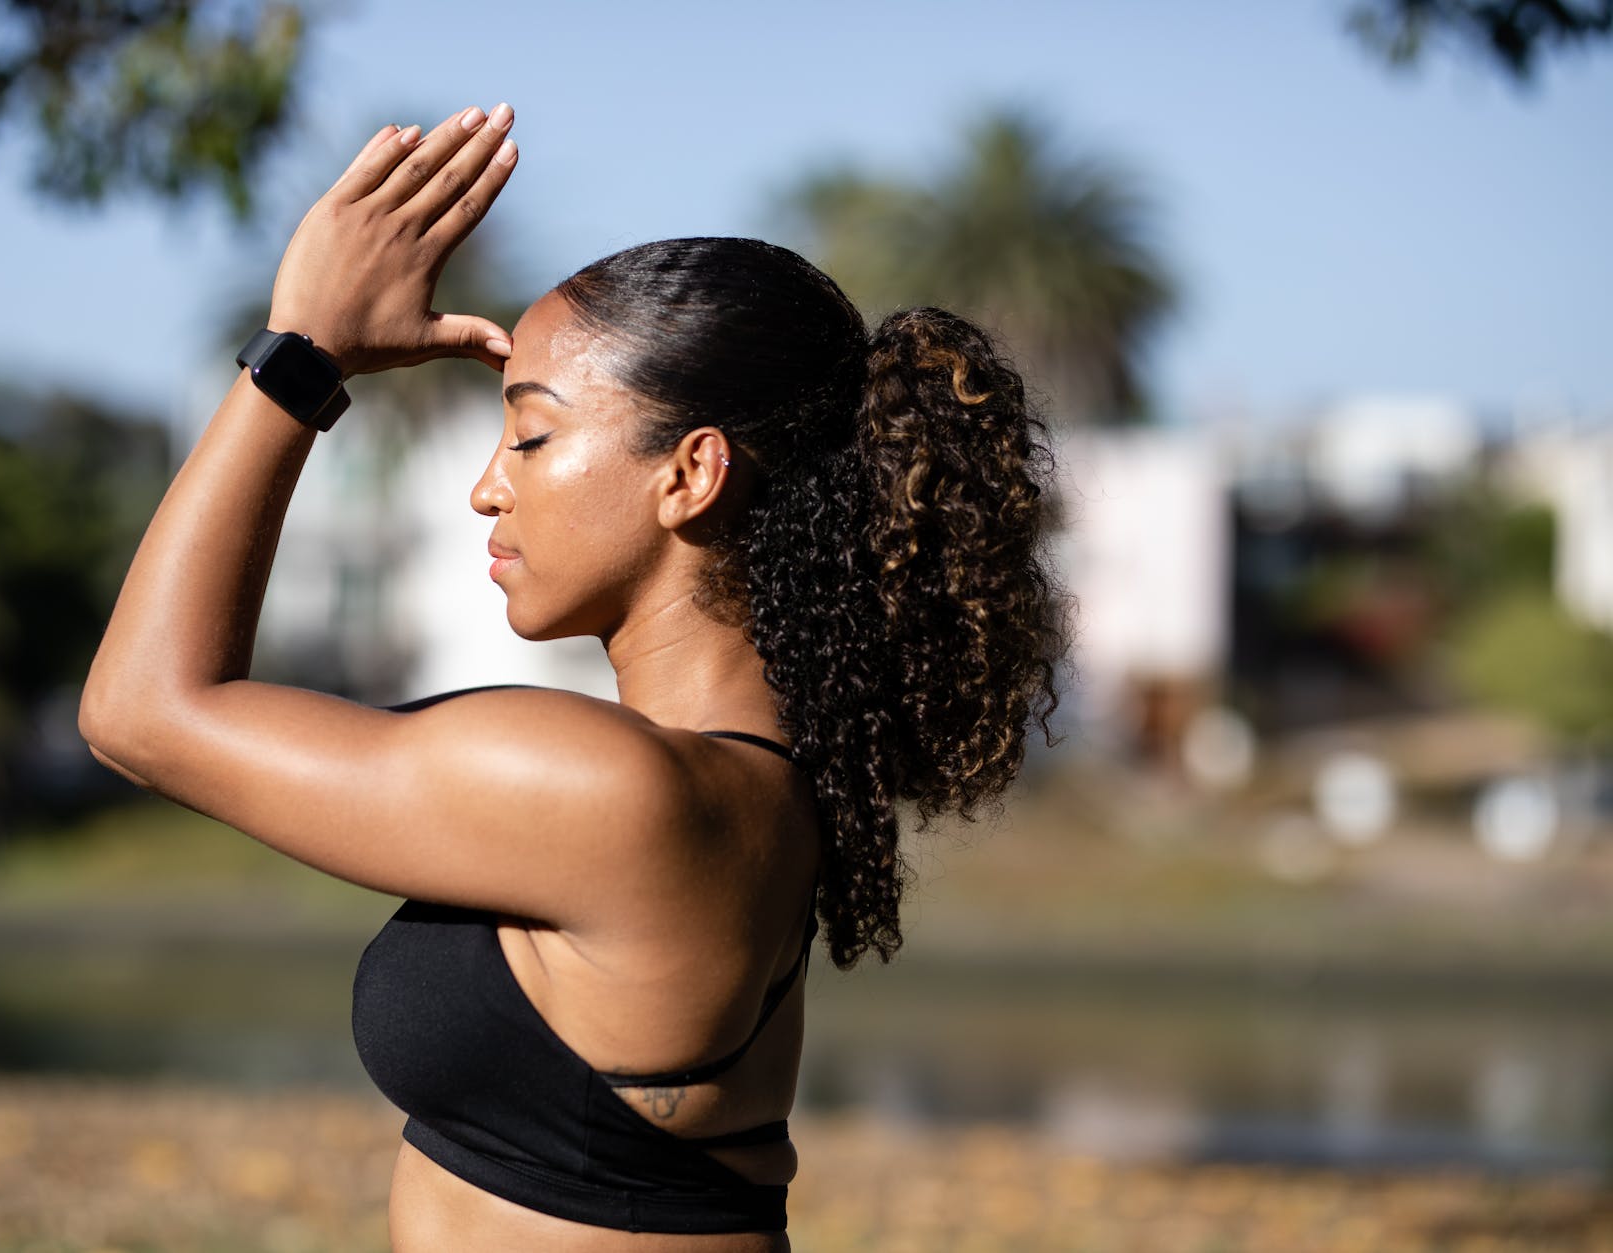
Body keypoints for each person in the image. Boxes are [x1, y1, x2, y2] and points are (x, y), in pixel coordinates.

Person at [79, 102, 1069, 1251]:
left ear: (691, 472)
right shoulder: (750, 779)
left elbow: (141, 713)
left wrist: (303, 355)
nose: (487, 488)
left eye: (533, 437)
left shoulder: (612, 791)